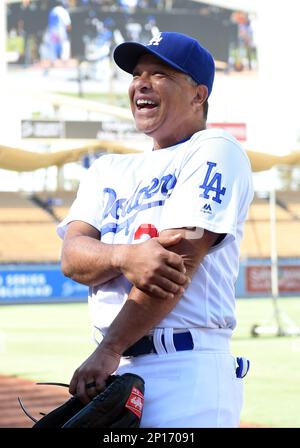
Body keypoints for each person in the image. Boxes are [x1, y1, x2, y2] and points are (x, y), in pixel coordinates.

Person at [57, 31, 253, 428]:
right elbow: (72, 257)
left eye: (161, 73)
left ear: (199, 95)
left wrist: (110, 347)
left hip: (186, 370)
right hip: (114, 371)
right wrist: (126, 256)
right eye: (137, 74)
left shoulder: (214, 148)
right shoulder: (107, 169)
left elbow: (173, 263)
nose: (141, 83)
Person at [40, 0, 72, 70]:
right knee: (65, 43)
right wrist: (69, 31)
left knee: (53, 46)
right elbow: (67, 23)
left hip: (52, 30)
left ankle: (53, 61)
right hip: (61, 30)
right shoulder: (63, 10)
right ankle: (65, 60)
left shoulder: (53, 10)